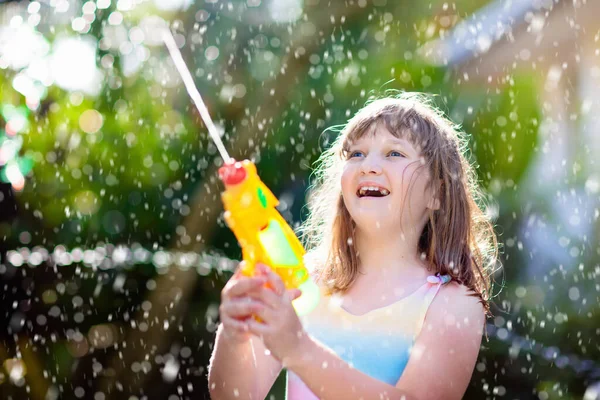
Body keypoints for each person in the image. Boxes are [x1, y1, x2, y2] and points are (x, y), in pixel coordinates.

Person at [208, 92, 499, 400]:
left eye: (394, 153)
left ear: (436, 194)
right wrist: (233, 335)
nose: (368, 165)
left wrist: (299, 350)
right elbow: (236, 396)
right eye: (356, 154)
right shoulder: (305, 280)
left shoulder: (452, 303)